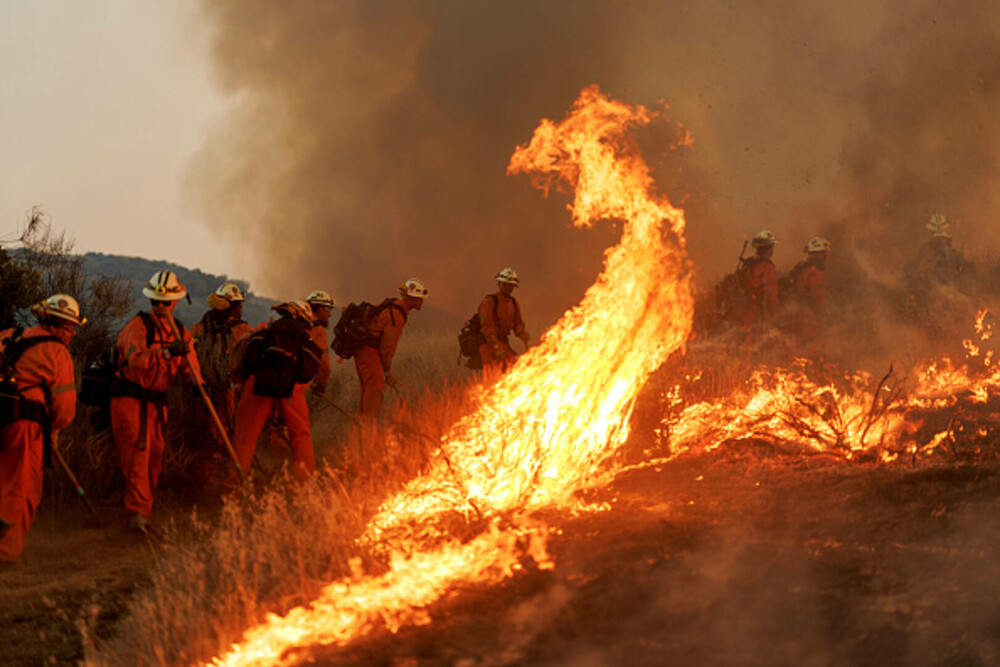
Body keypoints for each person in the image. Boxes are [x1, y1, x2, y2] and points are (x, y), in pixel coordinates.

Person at [111, 271, 198, 534]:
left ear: (175, 302)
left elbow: (191, 365)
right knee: (138, 457)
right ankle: (137, 516)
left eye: (166, 302)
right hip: (130, 399)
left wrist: (197, 383)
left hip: (157, 405)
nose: (160, 307)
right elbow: (135, 360)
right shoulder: (137, 327)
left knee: (155, 458)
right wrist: (167, 353)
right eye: (155, 302)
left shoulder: (181, 332)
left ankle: (141, 513)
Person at [0, 295, 84, 564]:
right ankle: (5, 552)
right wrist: (54, 430)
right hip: (23, 428)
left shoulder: (9, 335)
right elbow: (64, 408)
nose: (72, 334)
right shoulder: (57, 352)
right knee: (20, 489)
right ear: (58, 326)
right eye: (71, 328)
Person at [227, 300, 322, 487]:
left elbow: (244, 362)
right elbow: (308, 372)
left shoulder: (264, 332)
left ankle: (233, 492)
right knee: (300, 438)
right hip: (290, 387)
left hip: (258, 382)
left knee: (244, 441)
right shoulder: (304, 338)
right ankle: (304, 490)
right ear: (303, 317)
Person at [190, 283, 251, 485]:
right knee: (223, 430)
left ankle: (205, 473)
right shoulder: (241, 329)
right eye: (237, 305)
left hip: (201, 388)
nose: (241, 309)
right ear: (229, 306)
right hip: (225, 389)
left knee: (205, 431)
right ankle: (215, 474)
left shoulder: (200, 326)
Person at [354, 278, 427, 419]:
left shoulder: (393, 307)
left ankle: (360, 429)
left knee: (367, 390)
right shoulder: (396, 316)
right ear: (410, 297)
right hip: (370, 352)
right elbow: (388, 346)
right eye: (419, 298)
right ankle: (369, 429)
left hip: (364, 350)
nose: (422, 301)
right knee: (375, 389)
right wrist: (387, 369)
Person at [478, 267, 529, 371]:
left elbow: (517, 322)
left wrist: (521, 333)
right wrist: (496, 346)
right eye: (505, 284)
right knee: (492, 373)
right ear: (499, 284)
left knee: (514, 366)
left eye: (511, 285)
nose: (508, 287)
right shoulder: (490, 302)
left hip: (503, 342)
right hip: (488, 344)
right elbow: (487, 327)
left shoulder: (514, 303)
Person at [786, 237, 830, 348]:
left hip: (796, 313)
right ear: (814, 254)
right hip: (808, 316)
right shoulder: (814, 273)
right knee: (811, 347)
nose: (825, 256)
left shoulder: (801, 267)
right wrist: (826, 313)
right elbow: (818, 297)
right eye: (822, 253)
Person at [739, 230, 779, 336]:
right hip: (757, 313)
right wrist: (776, 314)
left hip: (744, 310)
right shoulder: (767, 267)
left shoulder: (749, 264)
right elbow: (771, 295)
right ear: (769, 248)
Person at [304, 290, 335, 397]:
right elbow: (324, 364)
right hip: (294, 386)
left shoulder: (297, 321)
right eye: (328, 310)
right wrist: (321, 385)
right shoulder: (317, 330)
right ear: (320, 309)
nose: (330, 315)